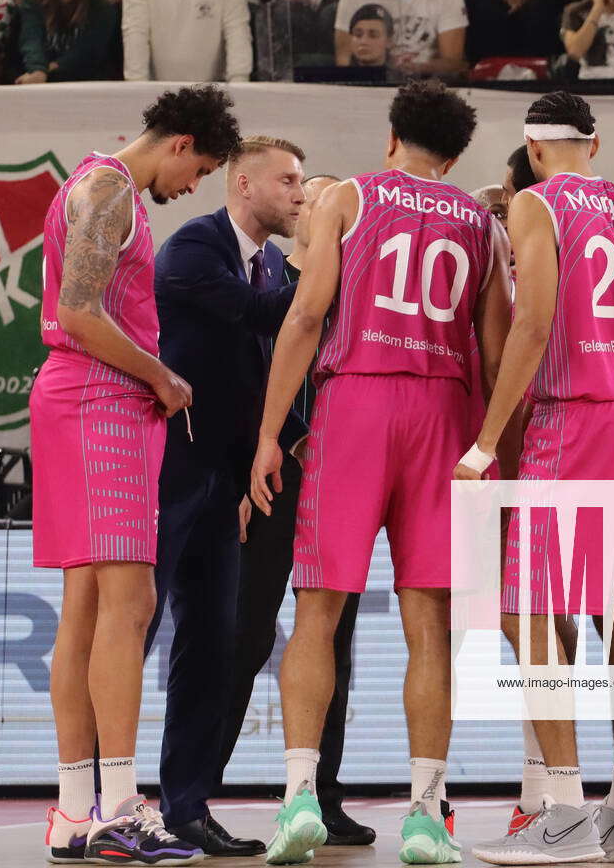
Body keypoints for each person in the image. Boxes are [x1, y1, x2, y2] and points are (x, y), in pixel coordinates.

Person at [250, 78, 513, 866]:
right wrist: (489, 445)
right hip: (444, 414)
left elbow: (303, 316)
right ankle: (427, 815)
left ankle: (299, 795)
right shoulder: (479, 222)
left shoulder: (348, 198)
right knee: (428, 624)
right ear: (457, 153)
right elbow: (496, 346)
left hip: (356, 405)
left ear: (391, 134)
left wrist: (270, 434)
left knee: (319, 611)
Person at [457, 91, 614, 865]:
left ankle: (560, 807)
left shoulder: (537, 204)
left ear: (532, 149)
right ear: (596, 143)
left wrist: (486, 442)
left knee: (531, 615)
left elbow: (531, 326)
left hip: (577, 417)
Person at [30, 85, 240, 866]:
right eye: (201, 170)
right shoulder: (112, 189)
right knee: (130, 602)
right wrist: (164, 376)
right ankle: (118, 807)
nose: (193, 189)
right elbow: (80, 311)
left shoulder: (95, 183)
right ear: (180, 143)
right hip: (97, 400)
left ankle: (74, 811)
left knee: (85, 608)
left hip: (82, 400)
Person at [147, 136, 310, 858]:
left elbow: (259, 376)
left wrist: (281, 448)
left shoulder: (272, 260)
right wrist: (320, 263)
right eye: (288, 180)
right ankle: (93, 800)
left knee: (212, 646)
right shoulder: (193, 245)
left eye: (304, 182)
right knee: (131, 635)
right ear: (243, 184)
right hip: (166, 472)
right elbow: (260, 317)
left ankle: (184, 806)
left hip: (222, 482)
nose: (301, 194)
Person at [220, 172, 375, 848]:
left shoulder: (355, 283)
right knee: (245, 636)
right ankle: (192, 792)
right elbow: (241, 381)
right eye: (305, 194)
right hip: (274, 480)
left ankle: (324, 795)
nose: (309, 203)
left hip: (338, 477)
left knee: (331, 641)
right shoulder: (265, 281)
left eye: (319, 194)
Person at [121, 0, 252, 82]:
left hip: (214, 95)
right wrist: (137, 91)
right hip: (158, 96)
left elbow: (238, 34)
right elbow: (135, 40)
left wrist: (239, 88)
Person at [334, 0, 468, 75]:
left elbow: (453, 63)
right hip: (365, 84)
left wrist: (416, 69)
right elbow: (343, 62)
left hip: (426, 88)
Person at [15, 0, 118, 83]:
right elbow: (31, 41)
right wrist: (36, 69)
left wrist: (43, 72)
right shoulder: (32, 4)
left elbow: (86, 52)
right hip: (44, 83)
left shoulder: (102, 8)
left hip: (88, 84)